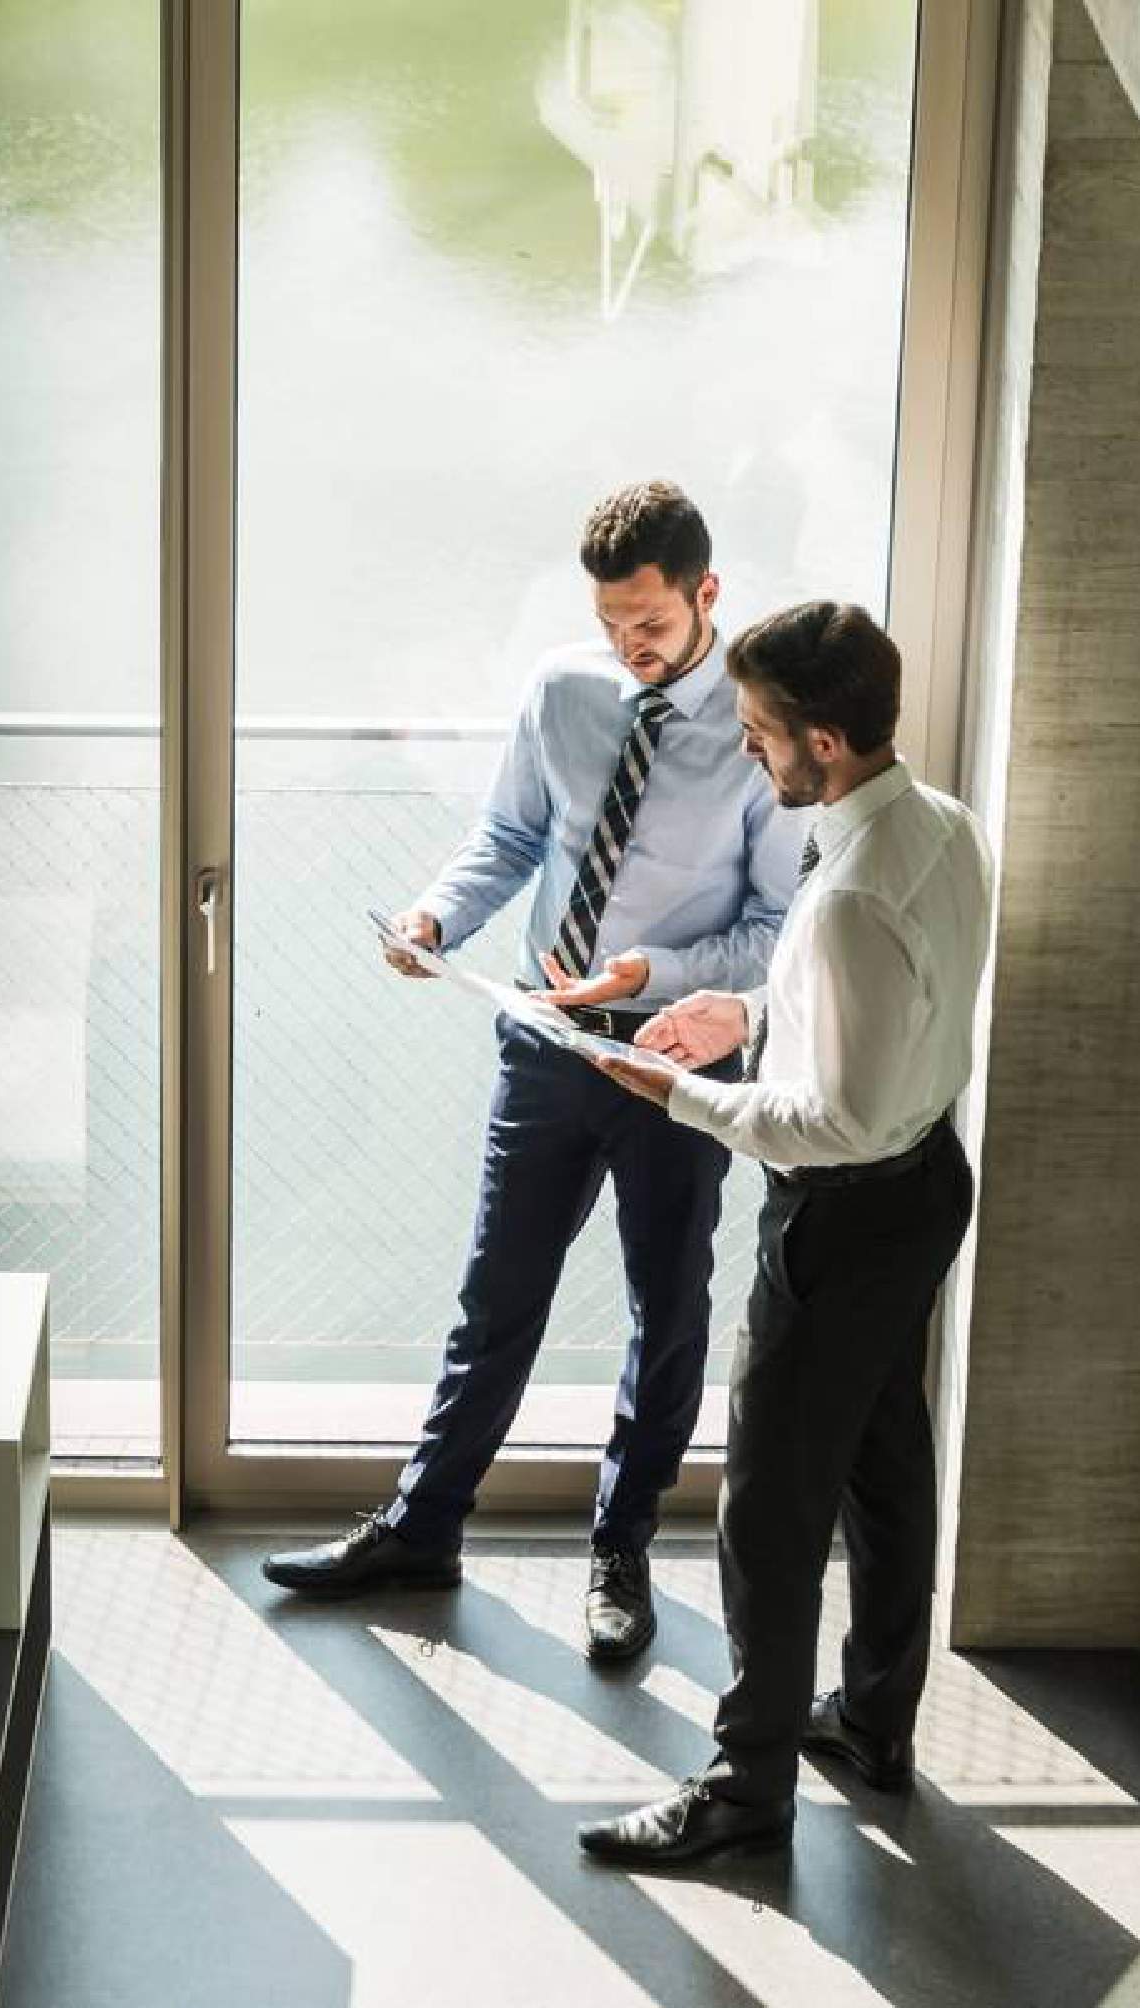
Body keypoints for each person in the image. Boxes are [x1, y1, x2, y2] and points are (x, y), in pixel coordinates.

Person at [262, 480, 804, 1658]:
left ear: (706, 594)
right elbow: (511, 837)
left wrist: (644, 975)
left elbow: (776, 929)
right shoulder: (563, 687)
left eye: (650, 623)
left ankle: (620, 1554)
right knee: (495, 1299)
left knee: (667, 1318)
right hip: (543, 1042)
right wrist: (436, 921)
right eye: (611, 622)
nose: (627, 645)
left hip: (671, 1065)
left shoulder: (761, 728)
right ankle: (424, 1524)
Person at [576, 599, 993, 1863]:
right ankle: (872, 1722)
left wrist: (678, 1092)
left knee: (765, 1511)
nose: (750, 753)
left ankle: (745, 1788)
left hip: (849, 1214)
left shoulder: (850, 892)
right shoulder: (942, 824)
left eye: (761, 735)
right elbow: (880, 1015)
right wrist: (741, 1012)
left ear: (821, 739)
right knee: (882, 1459)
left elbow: (836, 1116)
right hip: (926, 1186)